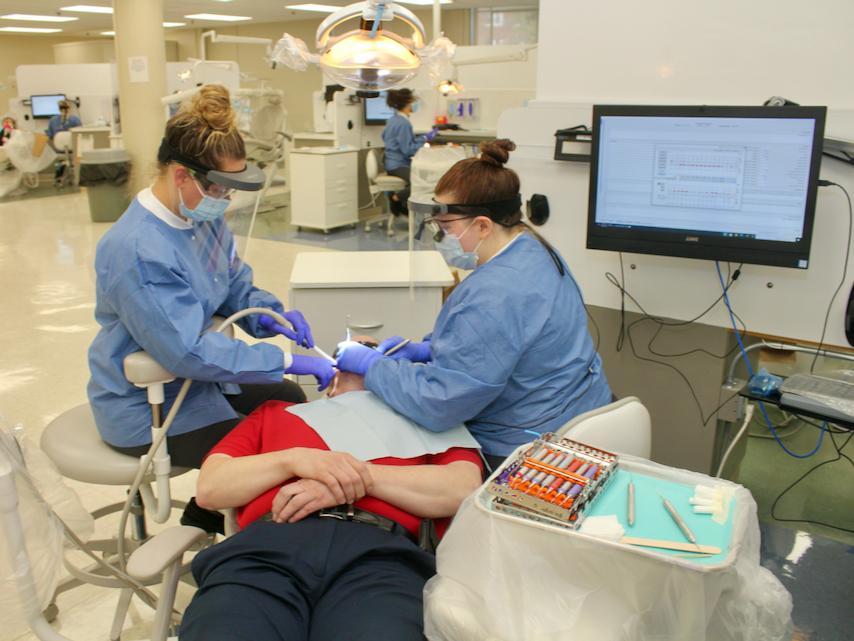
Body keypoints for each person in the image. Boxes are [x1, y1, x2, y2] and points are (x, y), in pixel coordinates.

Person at [87, 84, 335, 473]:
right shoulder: (136, 249)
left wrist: (269, 315)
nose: (225, 199)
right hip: (151, 406)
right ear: (182, 175)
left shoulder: (203, 218)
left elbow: (232, 282)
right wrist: (286, 360)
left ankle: (220, 515)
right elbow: (187, 351)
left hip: (200, 384)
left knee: (287, 398)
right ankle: (215, 525)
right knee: (268, 457)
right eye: (218, 186)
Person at [336, 140, 613, 471]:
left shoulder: (494, 293)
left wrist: (373, 367)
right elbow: (498, 343)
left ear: (483, 225)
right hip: (583, 412)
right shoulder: (532, 247)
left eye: (448, 227)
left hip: (529, 451)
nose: (443, 237)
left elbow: (439, 404)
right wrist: (428, 349)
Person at [179, 339, 483, 641]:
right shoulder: (276, 413)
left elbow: (461, 488)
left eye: (373, 353)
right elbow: (211, 488)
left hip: (380, 559)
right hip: (265, 551)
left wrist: (354, 479)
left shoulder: (428, 421)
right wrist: (294, 460)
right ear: (330, 382)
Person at [381, 88, 437, 215]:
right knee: (425, 182)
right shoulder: (403, 123)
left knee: (424, 177)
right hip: (398, 165)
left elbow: (387, 138)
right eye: (413, 102)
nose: (414, 104)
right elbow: (408, 150)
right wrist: (425, 138)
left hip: (391, 163)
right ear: (407, 103)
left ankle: (402, 205)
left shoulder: (392, 120)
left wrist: (420, 139)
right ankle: (396, 198)